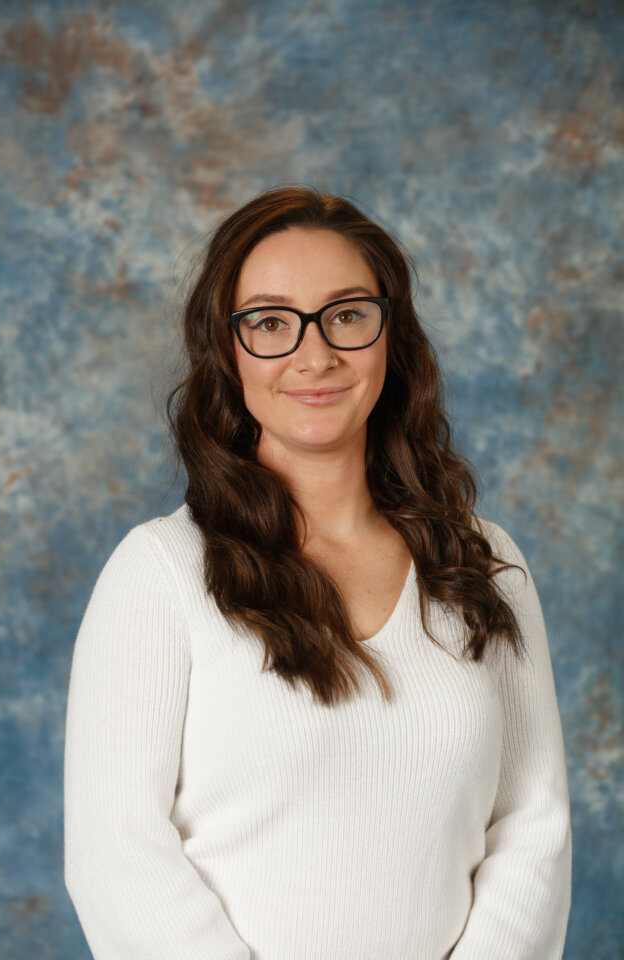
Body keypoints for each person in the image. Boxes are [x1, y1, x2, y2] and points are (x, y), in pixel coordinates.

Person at [63, 185, 572, 960]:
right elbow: (116, 856)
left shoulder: (481, 563)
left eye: (346, 314)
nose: (314, 354)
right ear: (228, 351)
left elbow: (533, 826)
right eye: (270, 321)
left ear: (390, 335)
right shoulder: (160, 574)